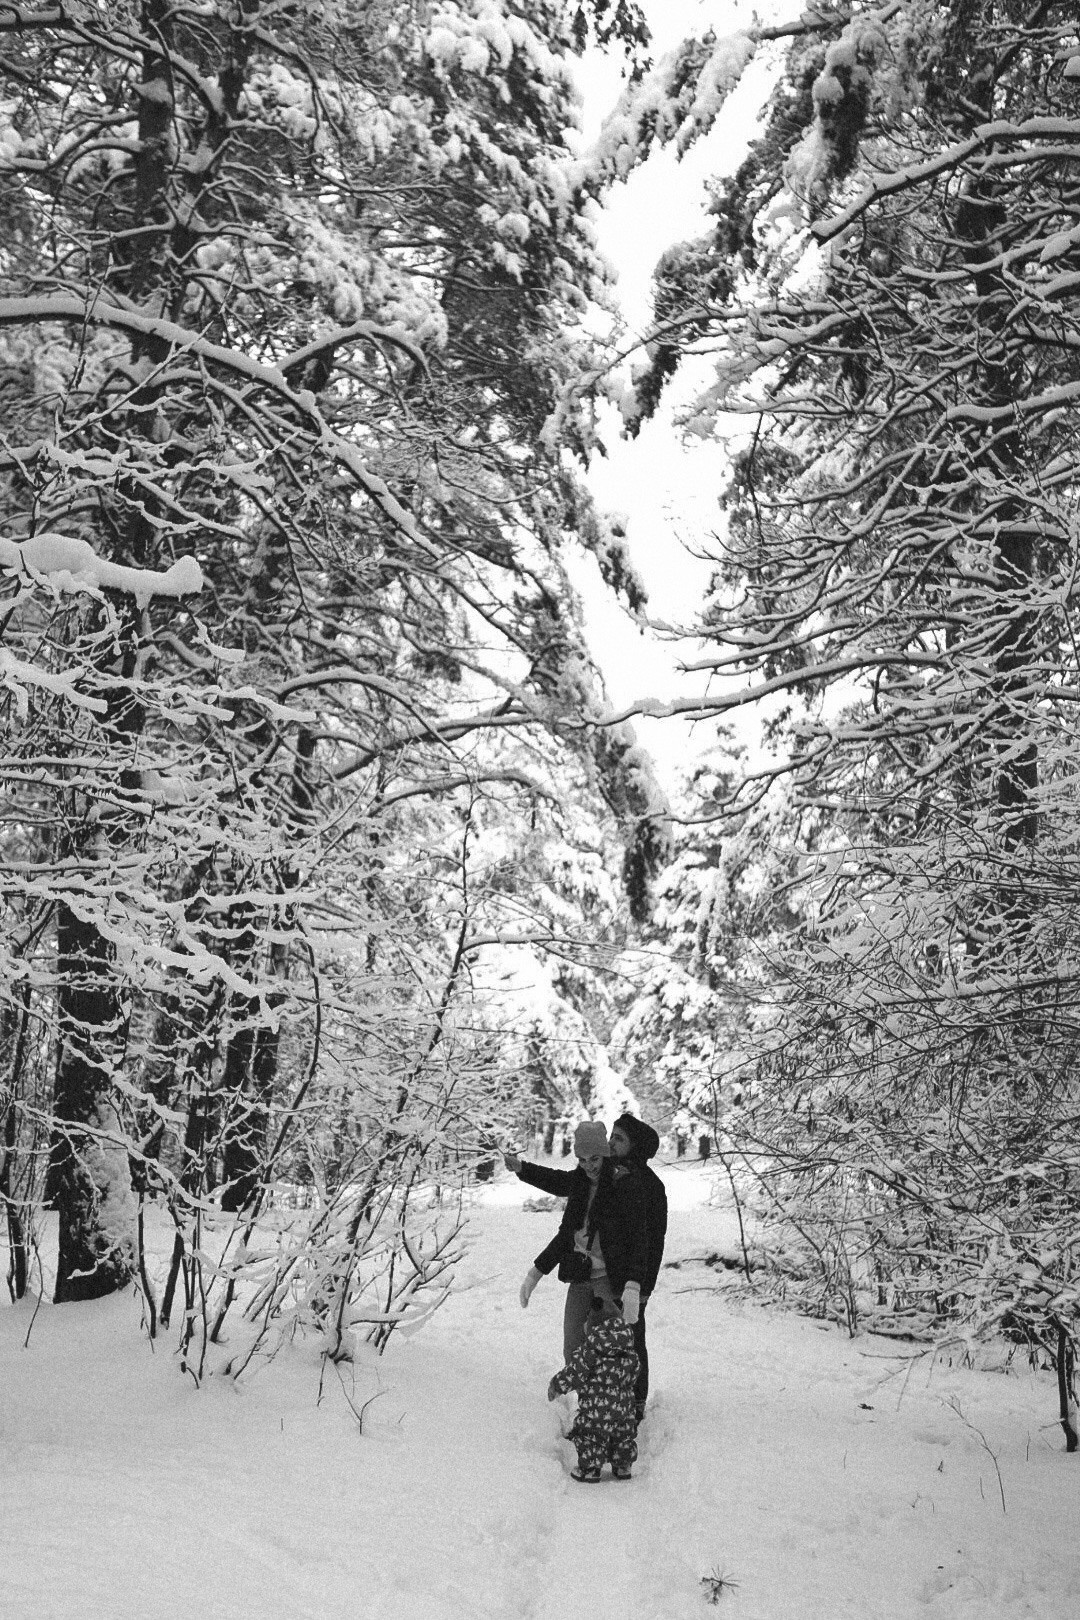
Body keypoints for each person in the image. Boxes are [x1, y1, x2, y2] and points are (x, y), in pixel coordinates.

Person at [506, 1120, 647, 1362]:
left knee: (610, 1350)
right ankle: (583, 1398)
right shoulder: (579, 1184)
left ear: (604, 1155)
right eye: (582, 1160)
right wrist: (535, 1273)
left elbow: (638, 1239)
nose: (588, 1166)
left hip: (609, 1280)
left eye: (594, 1159)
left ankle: (610, 1398)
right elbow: (564, 1232)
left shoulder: (622, 1186)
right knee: (572, 1349)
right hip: (580, 1278)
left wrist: (633, 1286)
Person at [610, 1112, 668, 1425]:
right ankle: (608, 1396)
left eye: (619, 1138)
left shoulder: (650, 1186)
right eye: (611, 1136)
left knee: (633, 1339)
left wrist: (643, 1287)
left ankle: (636, 1399)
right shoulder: (611, 1175)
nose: (611, 1143)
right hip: (608, 1275)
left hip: (635, 1280)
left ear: (635, 1146)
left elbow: (653, 1240)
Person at [547, 1294, 639, 1481]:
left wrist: (557, 1385)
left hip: (597, 1407)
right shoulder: (628, 1349)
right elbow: (636, 1370)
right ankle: (623, 1466)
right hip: (624, 1406)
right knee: (623, 1435)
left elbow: (574, 1372)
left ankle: (590, 1469)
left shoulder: (590, 1350)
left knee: (592, 1434)